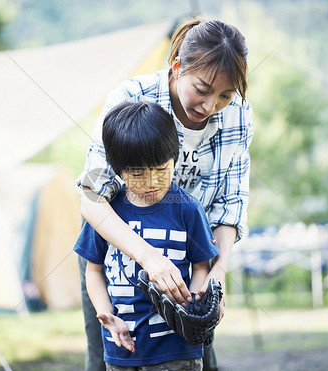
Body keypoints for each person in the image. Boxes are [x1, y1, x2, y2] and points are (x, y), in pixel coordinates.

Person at [77, 17, 253, 371]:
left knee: (192, 353)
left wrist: (216, 274)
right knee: (109, 356)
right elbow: (92, 197)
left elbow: (229, 205)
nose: (210, 105)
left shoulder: (238, 116)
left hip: (191, 260)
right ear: (177, 68)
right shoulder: (128, 99)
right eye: (202, 89)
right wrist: (149, 259)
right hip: (120, 251)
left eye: (225, 95)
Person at [74, 100, 220, 370]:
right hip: (122, 348)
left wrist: (195, 305)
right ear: (118, 170)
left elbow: (202, 266)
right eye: (138, 173)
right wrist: (107, 315)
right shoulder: (106, 214)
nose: (152, 181)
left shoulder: (188, 209)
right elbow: (93, 272)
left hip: (177, 350)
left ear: (175, 158)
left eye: (162, 169)